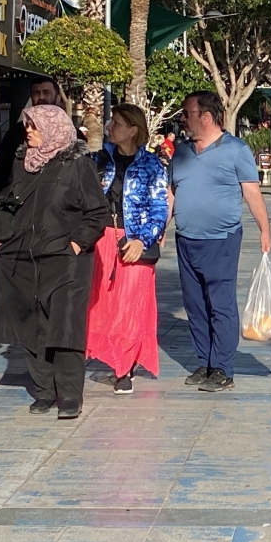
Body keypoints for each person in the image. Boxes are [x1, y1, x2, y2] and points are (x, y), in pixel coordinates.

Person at [0, 105, 107, 419]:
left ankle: (69, 395)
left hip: (65, 260)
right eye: (27, 124)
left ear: (52, 128)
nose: (27, 130)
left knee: (65, 326)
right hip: (23, 258)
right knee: (31, 325)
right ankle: (44, 391)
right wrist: (1, 238)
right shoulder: (22, 163)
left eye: (34, 125)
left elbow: (97, 212)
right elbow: (6, 202)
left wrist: (75, 245)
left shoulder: (78, 165)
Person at [169, 91, 271, 392]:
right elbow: (172, 192)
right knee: (195, 305)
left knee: (220, 304)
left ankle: (223, 368)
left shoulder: (236, 150)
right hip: (186, 239)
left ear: (206, 117)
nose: (182, 119)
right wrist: (161, 227)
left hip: (221, 240)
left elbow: (252, 192)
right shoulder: (181, 152)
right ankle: (205, 362)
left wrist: (264, 230)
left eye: (187, 113)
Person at [86, 104, 169, 395]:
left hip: (134, 241)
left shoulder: (152, 165)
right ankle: (105, 355)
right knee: (101, 302)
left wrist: (142, 240)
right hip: (102, 238)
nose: (109, 127)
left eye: (117, 123)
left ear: (133, 130)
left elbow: (160, 209)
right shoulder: (98, 160)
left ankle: (125, 367)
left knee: (131, 306)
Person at [0, 77, 68, 211]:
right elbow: (0, 173)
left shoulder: (71, 134)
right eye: (36, 93)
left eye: (46, 92)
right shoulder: (16, 133)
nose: (41, 97)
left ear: (58, 97)